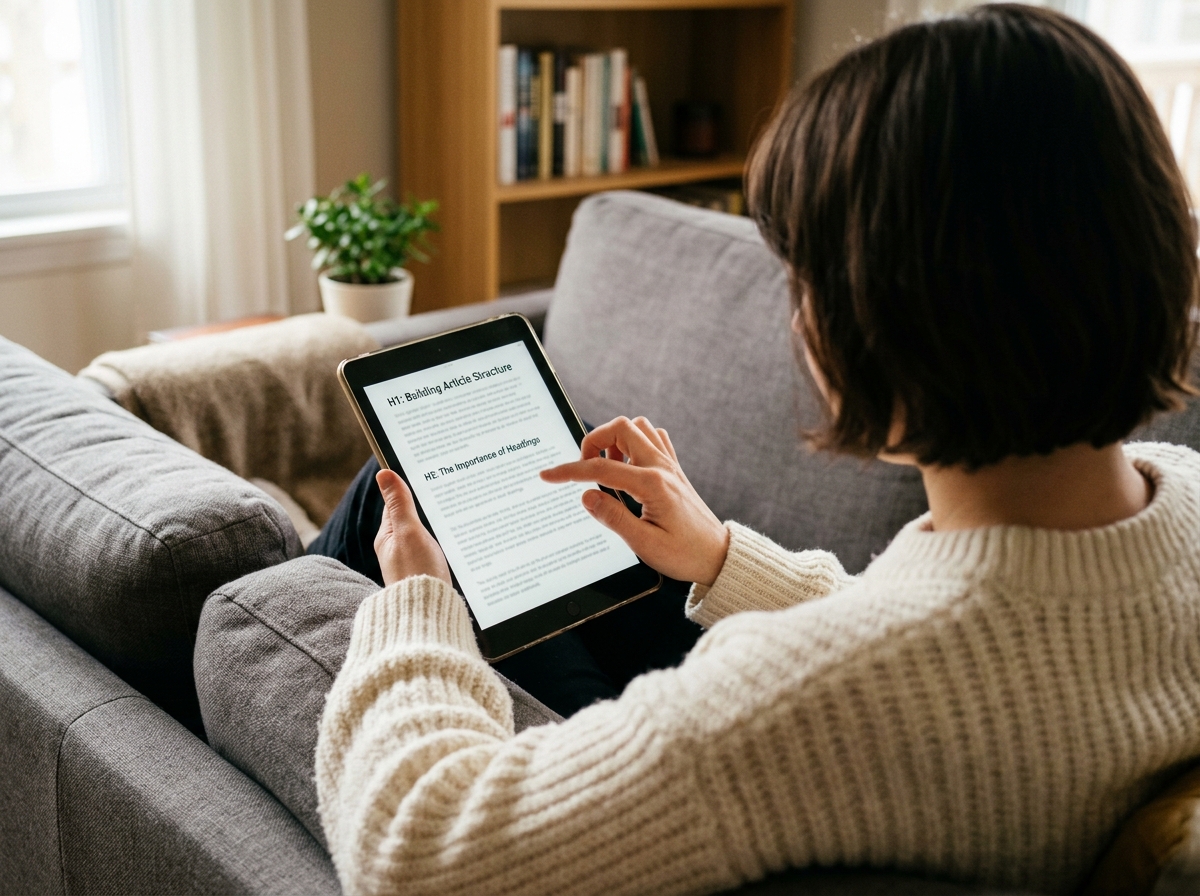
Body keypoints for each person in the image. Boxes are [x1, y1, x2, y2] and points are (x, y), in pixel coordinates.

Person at [312, 6, 1200, 895]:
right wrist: (723, 557)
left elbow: (414, 854)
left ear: (879, 320)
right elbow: (988, 647)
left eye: (804, 277)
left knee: (380, 521)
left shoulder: (807, 698)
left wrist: (421, 605)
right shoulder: (1186, 504)